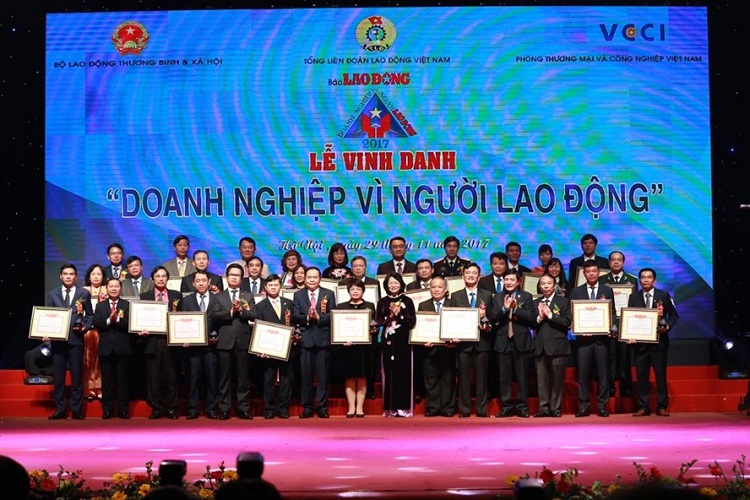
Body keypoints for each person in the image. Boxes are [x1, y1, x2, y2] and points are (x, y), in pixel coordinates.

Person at [46, 264, 94, 419]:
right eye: (65, 274)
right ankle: (60, 409)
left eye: (71, 274)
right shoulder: (52, 294)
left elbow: (90, 315)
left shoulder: (83, 293)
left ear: (76, 276)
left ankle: (76, 409)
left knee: (77, 376)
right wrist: (45, 331)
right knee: (58, 377)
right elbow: (47, 315)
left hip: (76, 339)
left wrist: (85, 327)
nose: (68, 276)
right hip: (58, 341)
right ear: (60, 276)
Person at [628, 267, 679, 417]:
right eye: (643, 277)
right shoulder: (634, 297)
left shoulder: (663, 295)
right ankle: (643, 406)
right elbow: (630, 318)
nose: (646, 280)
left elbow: (674, 315)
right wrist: (629, 334)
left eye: (649, 277)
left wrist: (667, 326)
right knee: (642, 376)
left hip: (659, 342)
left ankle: (662, 406)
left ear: (654, 280)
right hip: (640, 344)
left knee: (660, 375)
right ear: (640, 280)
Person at [569, 260, 616, 417]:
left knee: (603, 374)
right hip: (583, 341)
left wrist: (612, 327)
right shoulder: (576, 291)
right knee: (583, 374)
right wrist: (579, 328)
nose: (591, 274)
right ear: (584, 274)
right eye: (588, 272)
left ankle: (602, 406)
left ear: (599, 272)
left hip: (602, 340)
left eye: (594, 271)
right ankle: (584, 406)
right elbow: (572, 314)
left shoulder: (606, 290)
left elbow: (612, 312)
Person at [210, 263, 258, 419]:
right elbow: (214, 316)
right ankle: (224, 409)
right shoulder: (218, 296)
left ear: (241, 278)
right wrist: (231, 311)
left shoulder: (248, 296)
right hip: (225, 341)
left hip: (243, 340)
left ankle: (243, 408)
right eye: (232, 275)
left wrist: (241, 310)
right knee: (224, 378)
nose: (234, 278)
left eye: (237, 275)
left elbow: (254, 315)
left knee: (243, 378)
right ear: (226, 277)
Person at [489, 268, 535, 418]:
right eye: (506, 280)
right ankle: (506, 407)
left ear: (518, 282)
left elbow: (531, 319)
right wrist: (504, 308)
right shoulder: (497, 297)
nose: (508, 282)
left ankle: (522, 407)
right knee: (504, 378)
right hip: (503, 341)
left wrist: (515, 310)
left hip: (521, 341)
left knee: (522, 377)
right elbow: (492, 318)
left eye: (512, 280)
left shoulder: (526, 296)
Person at [138, 266, 182, 419]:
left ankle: (172, 408)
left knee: (172, 377)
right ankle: (156, 408)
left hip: (171, 342)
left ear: (168, 278)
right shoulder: (145, 296)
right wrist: (140, 329)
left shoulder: (176, 295)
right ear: (152, 279)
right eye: (158, 276)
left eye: (164, 276)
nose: (161, 279)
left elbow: (182, 316)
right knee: (153, 377)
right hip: (152, 341)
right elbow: (140, 318)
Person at [450, 263, 493, 417]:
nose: (471, 275)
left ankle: (482, 410)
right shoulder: (455, 296)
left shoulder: (487, 295)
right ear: (463, 276)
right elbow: (451, 318)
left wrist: (486, 322)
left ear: (479, 276)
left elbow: (493, 318)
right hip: (463, 344)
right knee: (463, 379)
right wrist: (452, 335)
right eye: (468, 273)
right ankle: (465, 410)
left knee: (482, 379)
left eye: (474, 273)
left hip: (482, 342)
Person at [293, 266, 337, 418]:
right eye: (309, 277)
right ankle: (307, 407)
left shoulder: (328, 294)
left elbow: (333, 314)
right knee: (306, 376)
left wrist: (318, 317)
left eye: (315, 277)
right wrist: (307, 317)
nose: (312, 280)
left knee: (323, 376)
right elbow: (295, 315)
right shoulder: (298, 295)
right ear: (304, 279)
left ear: (320, 279)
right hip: (306, 340)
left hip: (323, 339)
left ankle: (322, 407)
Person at [178, 270, 219, 419]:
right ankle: (193, 409)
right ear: (193, 284)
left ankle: (211, 409)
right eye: (198, 281)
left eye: (203, 280)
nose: (201, 283)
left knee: (212, 379)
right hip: (193, 348)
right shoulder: (187, 301)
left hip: (211, 347)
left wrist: (218, 336)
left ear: (209, 282)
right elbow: (181, 321)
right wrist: (182, 338)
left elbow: (221, 322)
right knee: (193, 379)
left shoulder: (217, 299)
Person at [254, 274, 295, 419]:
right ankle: (269, 409)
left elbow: (294, 323)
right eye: (270, 285)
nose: (273, 287)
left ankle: (283, 408)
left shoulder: (289, 303)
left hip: (286, 348)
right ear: (265, 287)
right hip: (268, 349)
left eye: (276, 285)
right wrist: (260, 349)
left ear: (280, 286)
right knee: (268, 379)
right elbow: (258, 328)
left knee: (286, 379)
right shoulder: (260, 306)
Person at [376, 273, 416, 417]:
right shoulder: (382, 301)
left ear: (401, 284)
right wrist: (390, 316)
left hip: (403, 339)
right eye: (390, 283)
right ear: (386, 285)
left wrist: (400, 315)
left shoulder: (407, 300)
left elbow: (412, 321)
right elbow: (378, 320)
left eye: (396, 282)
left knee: (403, 372)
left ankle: (403, 407)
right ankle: (390, 408)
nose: (393, 285)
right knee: (389, 373)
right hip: (388, 340)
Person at [334, 279, 376, 417]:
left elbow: (374, 326)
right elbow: (337, 327)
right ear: (348, 291)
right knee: (350, 377)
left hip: (364, 348)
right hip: (347, 348)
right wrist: (342, 340)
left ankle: (360, 407)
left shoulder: (370, 306)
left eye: (358, 289)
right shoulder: (341, 307)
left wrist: (372, 330)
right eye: (352, 289)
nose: (355, 291)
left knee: (362, 377)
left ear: (363, 291)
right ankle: (351, 407)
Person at [532, 273, 572, 418]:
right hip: (540, 346)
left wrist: (550, 315)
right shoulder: (536, 302)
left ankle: (555, 408)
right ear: (539, 286)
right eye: (543, 283)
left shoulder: (563, 301)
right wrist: (539, 317)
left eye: (549, 283)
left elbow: (567, 322)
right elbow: (531, 323)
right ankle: (543, 408)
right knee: (541, 380)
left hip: (557, 346)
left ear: (554, 285)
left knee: (557, 380)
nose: (546, 286)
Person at [599, 251, 638, 397]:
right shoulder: (602, 280)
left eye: (619, 260)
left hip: (625, 323)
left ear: (623, 262)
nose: (616, 262)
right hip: (608, 323)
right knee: (609, 357)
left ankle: (626, 388)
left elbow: (634, 303)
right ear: (609, 262)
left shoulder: (632, 280)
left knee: (625, 357)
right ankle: (609, 388)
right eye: (613, 260)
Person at [93, 277, 132, 419]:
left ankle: (123, 409)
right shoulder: (100, 306)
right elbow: (97, 323)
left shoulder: (127, 305)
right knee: (107, 382)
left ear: (120, 288)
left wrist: (118, 319)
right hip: (106, 348)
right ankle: (107, 409)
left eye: (116, 286)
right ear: (106, 288)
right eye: (111, 286)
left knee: (123, 381)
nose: (114, 289)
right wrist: (110, 320)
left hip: (122, 347)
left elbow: (130, 324)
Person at [417, 276, 456, 417]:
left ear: (445, 289)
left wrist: (455, 338)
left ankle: (448, 408)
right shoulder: (423, 305)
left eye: (440, 287)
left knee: (448, 378)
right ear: (430, 289)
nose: (437, 290)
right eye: (433, 287)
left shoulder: (453, 304)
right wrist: (422, 340)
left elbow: (457, 324)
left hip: (448, 348)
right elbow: (420, 327)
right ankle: (432, 408)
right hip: (429, 348)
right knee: (430, 378)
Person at [83, 263, 107, 400]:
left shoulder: (108, 289)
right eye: (93, 274)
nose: (96, 277)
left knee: (100, 360)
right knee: (88, 360)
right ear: (89, 276)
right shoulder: (83, 291)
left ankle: (100, 388)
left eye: (99, 274)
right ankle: (88, 389)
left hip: (103, 331)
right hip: (87, 331)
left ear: (103, 276)